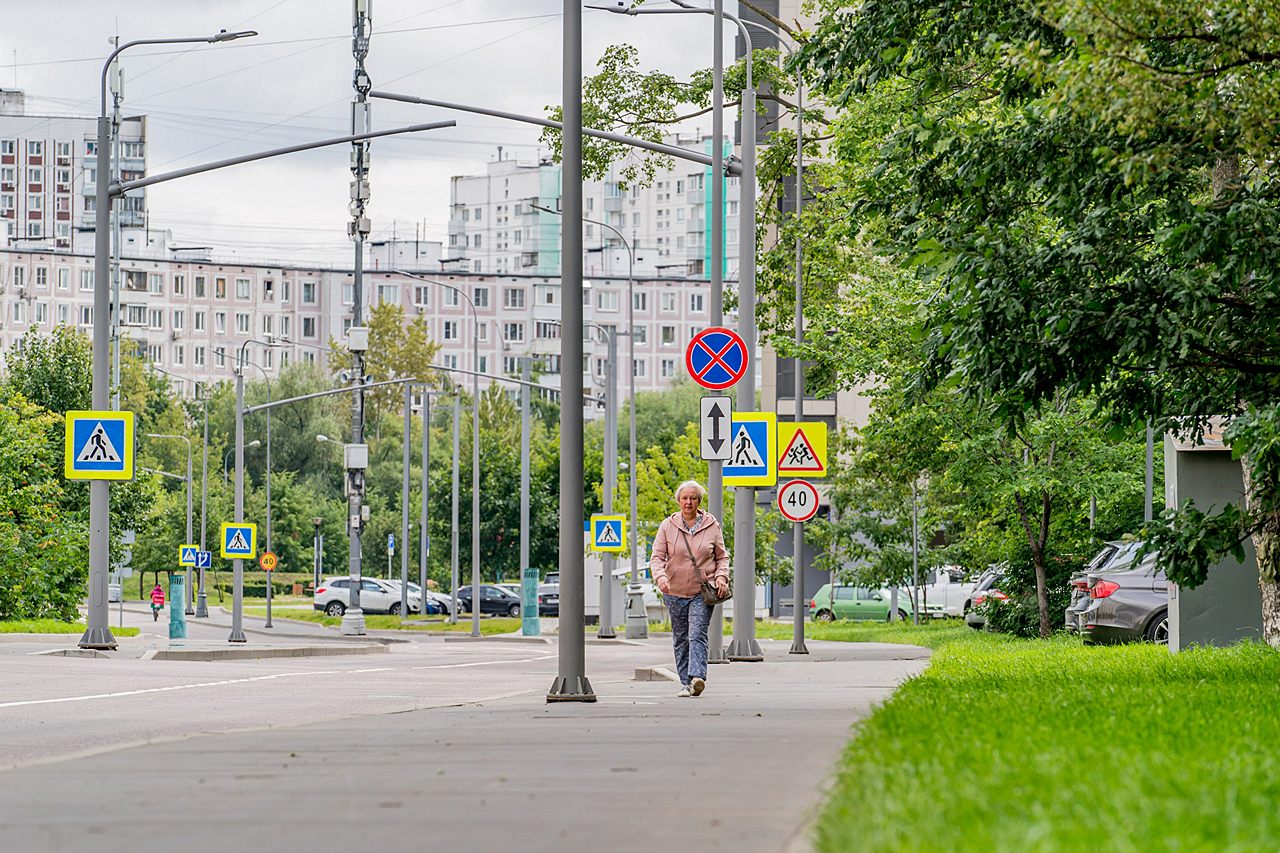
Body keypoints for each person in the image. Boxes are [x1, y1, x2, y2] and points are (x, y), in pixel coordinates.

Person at [650, 479, 730, 698]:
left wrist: (721, 577)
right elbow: (656, 557)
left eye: (693, 498)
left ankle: (697, 677)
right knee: (681, 637)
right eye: (684, 498)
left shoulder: (711, 525)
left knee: (697, 634)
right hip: (674, 591)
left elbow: (722, 557)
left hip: (701, 592)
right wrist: (661, 577)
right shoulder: (667, 526)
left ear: (699, 501)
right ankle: (686, 683)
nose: (688, 502)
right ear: (678, 501)